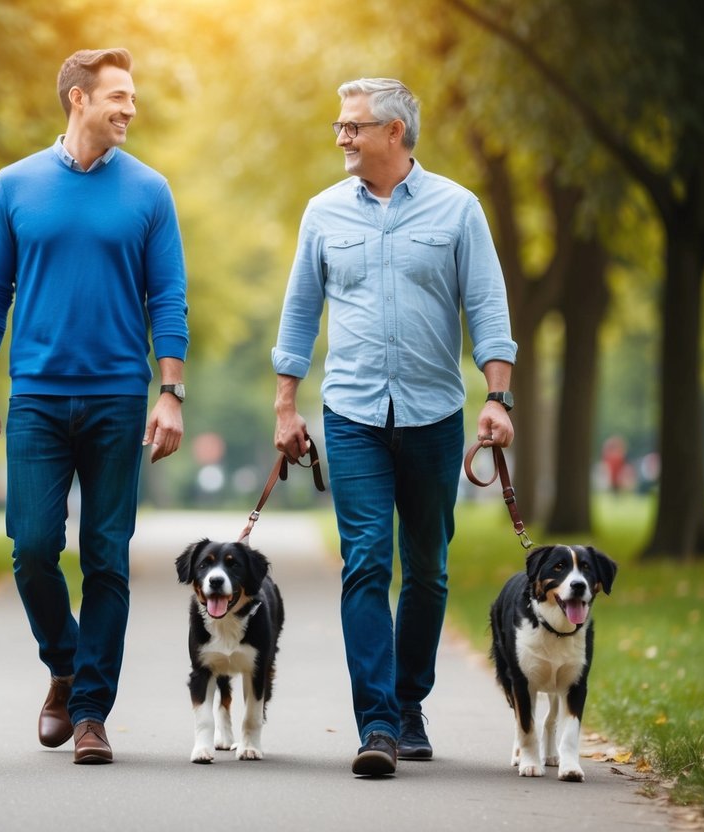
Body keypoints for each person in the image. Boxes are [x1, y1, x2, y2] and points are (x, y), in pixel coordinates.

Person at [272, 78, 517, 777]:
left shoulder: (458, 209)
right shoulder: (322, 213)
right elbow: (297, 316)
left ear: (395, 133)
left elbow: (488, 311)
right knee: (367, 561)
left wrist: (497, 399)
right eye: (339, 126)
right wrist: (286, 407)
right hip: (351, 416)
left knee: (428, 570)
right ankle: (376, 723)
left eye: (354, 126)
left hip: (434, 415)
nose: (341, 137)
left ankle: (410, 702)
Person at [0, 48, 189, 764]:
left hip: (119, 396)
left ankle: (90, 711)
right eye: (117, 96)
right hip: (36, 397)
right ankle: (64, 661)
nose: (128, 108)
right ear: (77, 99)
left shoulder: (149, 191)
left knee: (106, 559)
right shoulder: (14, 185)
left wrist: (170, 393)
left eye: (132, 98)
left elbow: (168, 298)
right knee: (31, 547)